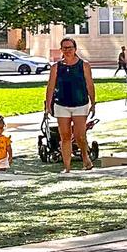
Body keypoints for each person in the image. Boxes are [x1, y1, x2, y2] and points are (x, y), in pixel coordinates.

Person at [44, 36, 97, 172]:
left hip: (80, 103)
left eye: (70, 48)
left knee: (80, 135)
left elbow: (89, 84)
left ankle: (85, 157)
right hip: (61, 104)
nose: (67, 50)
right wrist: (48, 105)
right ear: (61, 49)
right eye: (65, 48)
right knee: (65, 136)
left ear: (75, 49)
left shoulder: (84, 65)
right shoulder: (56, 67)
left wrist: (93, 102)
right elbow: (50, 86)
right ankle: (67, 167)